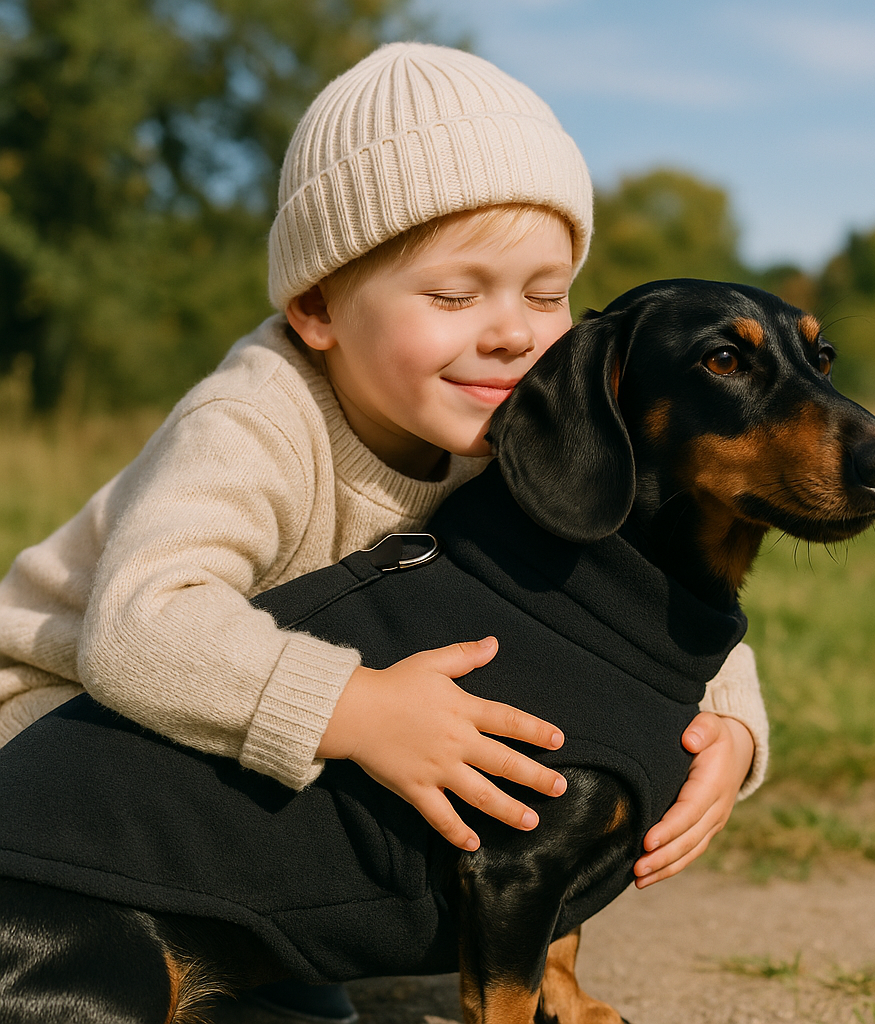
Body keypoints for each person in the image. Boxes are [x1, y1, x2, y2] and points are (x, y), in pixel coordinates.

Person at [0, 42, 768, 1023]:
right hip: (64, 747)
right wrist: (360, 709)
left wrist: (729, 723)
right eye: (453, 295)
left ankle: (256, 950)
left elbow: (633, 579)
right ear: (317, 307)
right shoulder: (253, 423)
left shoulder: (511, 424)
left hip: (250, 754)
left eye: (544, 294)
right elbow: (143, 629)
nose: (512, 334)